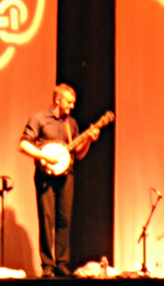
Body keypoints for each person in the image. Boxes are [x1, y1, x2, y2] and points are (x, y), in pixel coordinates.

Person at [19, 83, 99, 277]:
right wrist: (44, 157)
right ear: (58, 100)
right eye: (69, 103)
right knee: (47, 219)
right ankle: (47, 264)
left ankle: (62, 262)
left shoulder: (70, 123)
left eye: (73, 103)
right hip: (45, 175)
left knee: (64, 219)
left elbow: (78, 154)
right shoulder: (39, 119)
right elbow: (23, 145)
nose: (72, 107)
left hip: (67, 175)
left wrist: (88, 139)